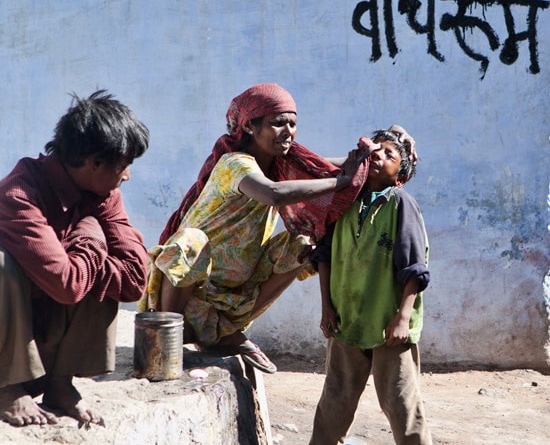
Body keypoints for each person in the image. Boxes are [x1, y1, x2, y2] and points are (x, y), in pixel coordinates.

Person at [140, 83, 404, 374]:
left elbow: (336, 168)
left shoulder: (281, 164)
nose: (288, 131)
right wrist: (341, 183)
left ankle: (227, 333)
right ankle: (168, 340)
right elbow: (275, 193)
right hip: (190, 298)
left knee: (302, 244)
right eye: (278, 123)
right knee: (190, 241)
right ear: (251, 127)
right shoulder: (235, 163)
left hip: (231, 300)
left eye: (293, 124)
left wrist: (378, 153)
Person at [0, 90, 150, 427]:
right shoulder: (20, 194)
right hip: (12, 345)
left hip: (43, 349)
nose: (126, 176)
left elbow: (135, 280)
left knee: (102, 274)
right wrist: (92, 235)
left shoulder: (102, 193)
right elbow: (67, 285)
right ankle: (6, 388)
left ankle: (59, 384)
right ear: (94, 162)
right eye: (123, 165)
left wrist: (85, 246)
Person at [309, 130, 432, 445]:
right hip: (346, 320)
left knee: (401, 403)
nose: (378, 155)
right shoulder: (343, 200)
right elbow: (323, 255)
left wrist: (402, 318)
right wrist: (326, 307)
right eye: (375, 150)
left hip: (387, 327)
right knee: (334, 401)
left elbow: (415, 269)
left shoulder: (401, 203)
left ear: (400, 177)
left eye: (389, 155)